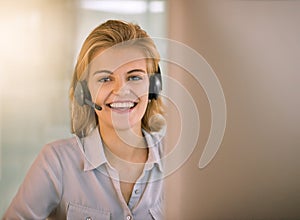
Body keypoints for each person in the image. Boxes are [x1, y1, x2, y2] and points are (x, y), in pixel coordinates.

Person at [3, 20, 165, 220]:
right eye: (105, 79)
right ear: (84, 92)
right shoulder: (57, 162)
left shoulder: (181, 163)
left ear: (154, 86)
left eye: (134, 77)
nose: (121, 90)